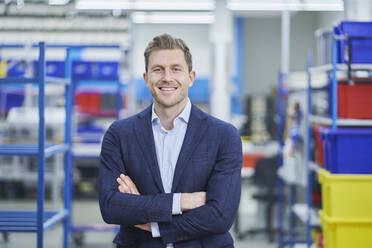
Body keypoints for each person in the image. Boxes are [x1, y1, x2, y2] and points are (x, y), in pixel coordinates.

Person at [99, 33, 242, 248]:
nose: (167, 77)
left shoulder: (224, 136)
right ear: (146, 79)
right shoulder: (119, 134)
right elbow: (111, 207)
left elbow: (220, 216)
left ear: (191, 77)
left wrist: (150, 223)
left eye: (176, 69)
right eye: (158, 69)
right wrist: (181, 202)